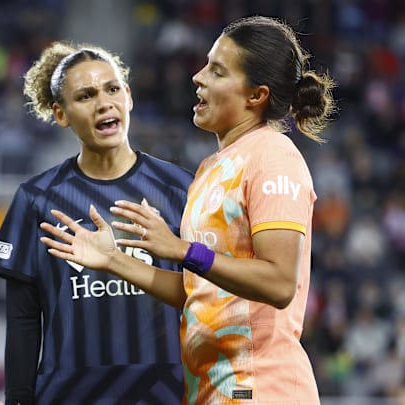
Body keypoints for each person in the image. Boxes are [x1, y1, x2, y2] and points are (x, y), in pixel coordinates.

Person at [40, 16, 336, 404]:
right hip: (214, 390)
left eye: (216, 70)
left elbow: (280, 283)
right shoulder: (212, 168)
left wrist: (182, 251)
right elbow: (202, 293)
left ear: (255, 95)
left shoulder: (274, 156)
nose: (198, 77)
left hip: (263, 387)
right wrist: (116, 261)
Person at [0, 41, 193, 404]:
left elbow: (207, 298)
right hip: (70, 396)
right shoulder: (36, 198)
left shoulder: (182, 189)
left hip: (168, 393)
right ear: (60, 114)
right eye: (85, 96)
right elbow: (23, 320)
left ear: (128, 96)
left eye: (112, 89)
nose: (103, 103)